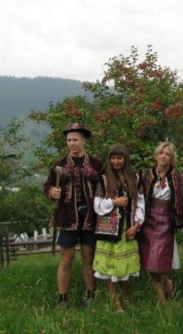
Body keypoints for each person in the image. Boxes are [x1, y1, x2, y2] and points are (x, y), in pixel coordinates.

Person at [44, 122, 104, 307]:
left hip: (90, 218)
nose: (71, 143)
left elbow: (105, 184)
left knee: (88, 257)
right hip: (67, 217)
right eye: (69, 140)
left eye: (75, 140)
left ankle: (90, 294)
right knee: (66, 259)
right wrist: (52, 191)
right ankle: (62, 298)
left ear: (84, 140)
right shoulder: (59, 164)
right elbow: (48, 184)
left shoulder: (96, 163)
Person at [93, 143, 144, 313]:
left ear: (125, 159)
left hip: (128, 230)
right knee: (111, 270)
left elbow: (140, 202)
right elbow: (97, 205)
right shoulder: (104, 179)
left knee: (125, 269)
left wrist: (137, 225)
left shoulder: (135, 178)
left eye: (119, 158)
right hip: (110, 231)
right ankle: (116, 303)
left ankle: (127, 300)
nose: (116, 161)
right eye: (113, 158)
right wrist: (114, 202)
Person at [139, 142, 183, 304]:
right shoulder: (146, 174)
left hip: (166, 220)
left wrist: (179, 219)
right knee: (149, 259)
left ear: (172, 158)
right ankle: (162, 298)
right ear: (156, 155)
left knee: (160, 258)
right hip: (148, 219)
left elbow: (182, 200)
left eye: (167, 154)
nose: (163, 156)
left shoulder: (178, 176)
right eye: (161, 153)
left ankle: (166, 281)